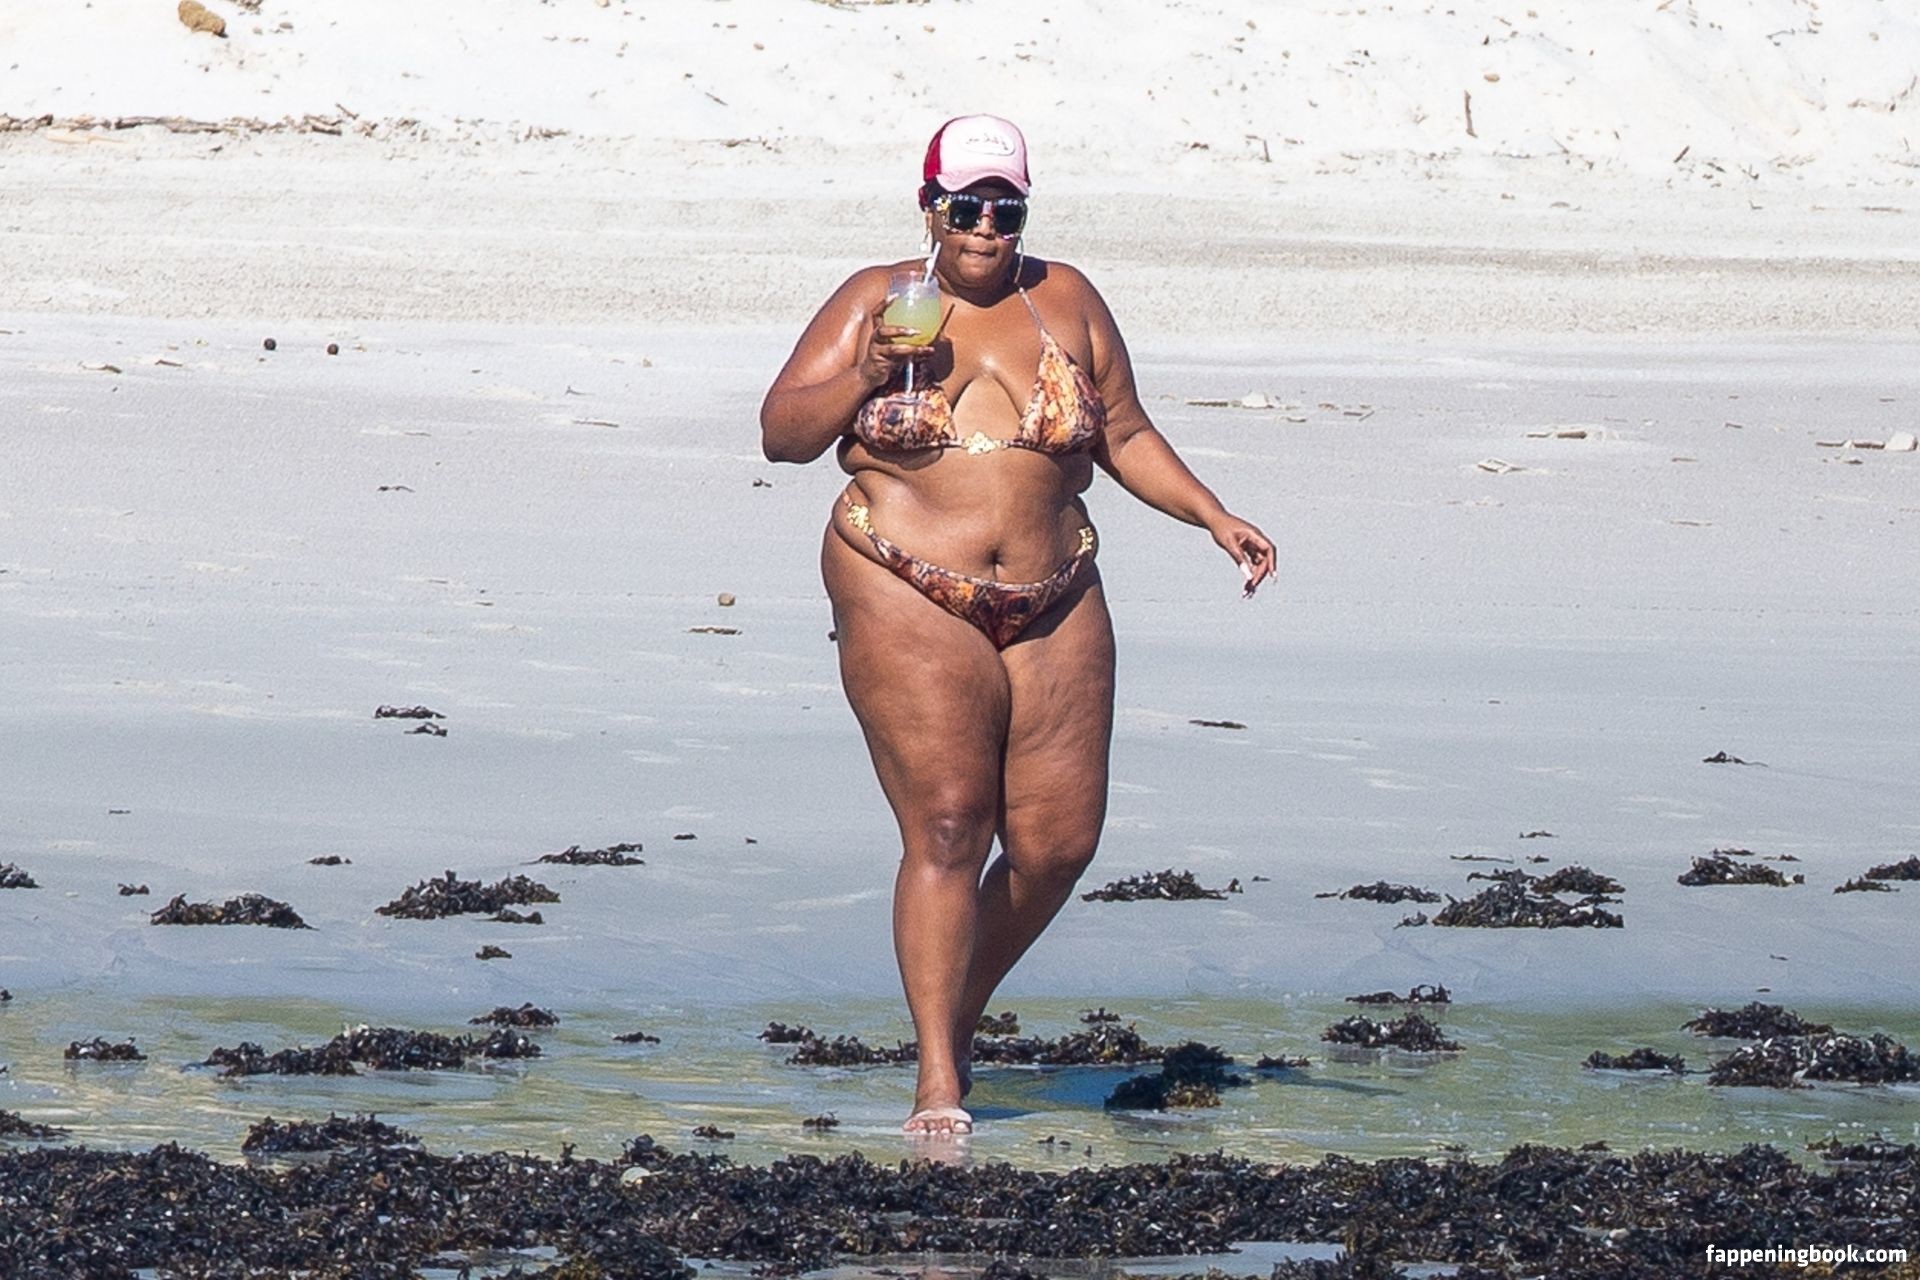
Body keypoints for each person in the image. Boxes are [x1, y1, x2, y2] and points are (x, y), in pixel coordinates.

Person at [760, 115, 1275, 1137]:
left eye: (1006, 208)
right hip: (902, 578)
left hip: (1055, 589)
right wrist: (867, 373)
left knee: (1057, 843)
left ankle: (955, 1010)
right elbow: (782, 434)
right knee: (953, 824)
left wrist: (1214, 515)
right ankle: (937, 1077)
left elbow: (1125, 432)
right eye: (967, 207)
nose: (986, 227)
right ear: (930, 208)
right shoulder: (875, 299)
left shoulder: (1067, 298)